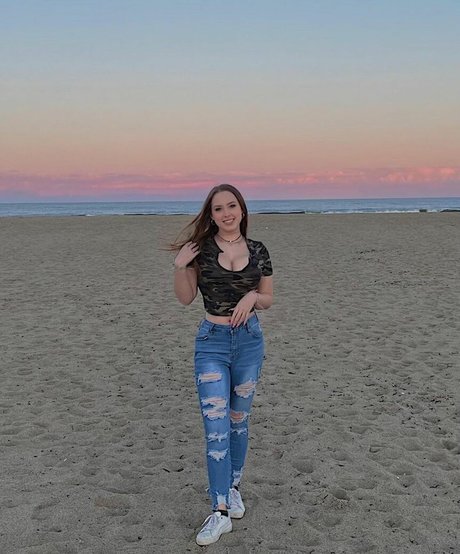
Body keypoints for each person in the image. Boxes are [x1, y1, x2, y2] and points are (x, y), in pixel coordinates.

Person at [171, 184, 273, 546]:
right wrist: (180, 266)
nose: (226, 213)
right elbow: (185, 298)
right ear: (211, 215)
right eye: (218, 208)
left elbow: (269, 298)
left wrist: (252, 296)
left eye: (232, 206)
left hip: (249, 342)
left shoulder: (258, 250)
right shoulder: (201, 251)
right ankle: (219, 512)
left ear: (242, 210)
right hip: (212, 344)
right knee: (215, 428)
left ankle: (232, 489)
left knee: (238, 422)